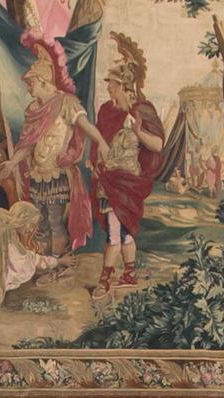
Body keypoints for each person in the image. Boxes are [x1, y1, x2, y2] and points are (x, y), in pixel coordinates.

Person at [0, 36, 105, 258]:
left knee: (56, 221)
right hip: (37, 175)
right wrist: (12, 163)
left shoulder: (66, 103)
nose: (28, 88)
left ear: (44, 81)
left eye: (31, 83)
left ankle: (56, 263)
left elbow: (85, 126)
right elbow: (27, 144)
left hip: (57, 174)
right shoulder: (33, 109)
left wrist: (102, 142)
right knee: (41, 223)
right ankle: (46, 262)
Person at [92, 34, 166, 292]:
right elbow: (98, 142)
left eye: (112, 84)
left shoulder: (141, 111)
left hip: (129, 182)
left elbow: (157, 145)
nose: (109, 88)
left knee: (118, 233)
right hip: (109, 180)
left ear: (124, 87)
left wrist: (139, 133)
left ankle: (105, 280)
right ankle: (129, 274)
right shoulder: (106, 111)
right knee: (121, 232)